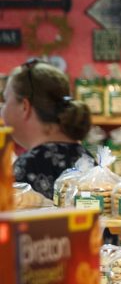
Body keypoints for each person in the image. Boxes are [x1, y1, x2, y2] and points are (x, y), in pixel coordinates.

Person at [3, 59, 90, 200]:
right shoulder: (88, 159)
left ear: (25, 106)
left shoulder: (27, 167)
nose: (3, 108)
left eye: (6, 100)